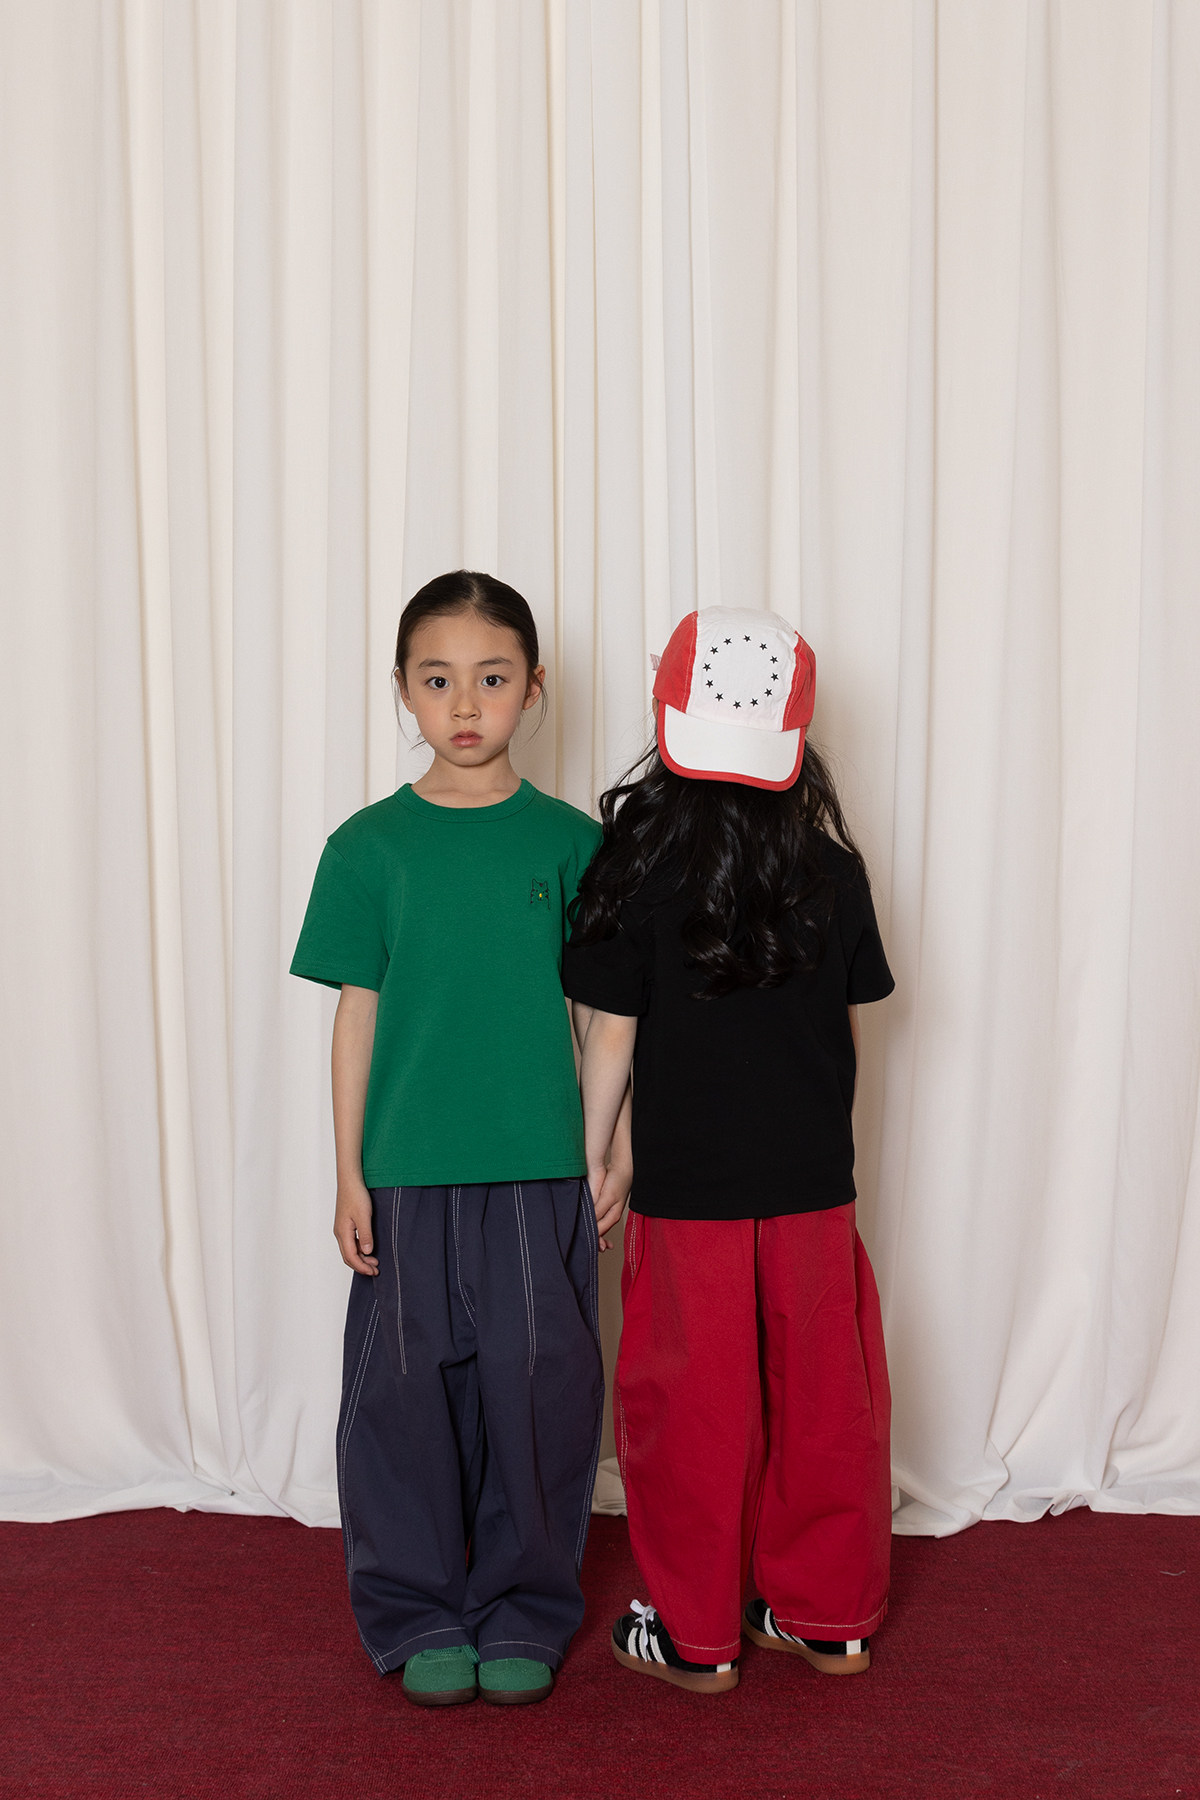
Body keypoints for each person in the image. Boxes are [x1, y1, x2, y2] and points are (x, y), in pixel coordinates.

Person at [290, 571, 629, 1708]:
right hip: (406, 1174)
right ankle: (417, 1610)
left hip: (541, 1169)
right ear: (403, 689)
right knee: (401, 1399)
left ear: (534, 687)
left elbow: (607, 1016)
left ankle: (524, 1608)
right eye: (438, 681)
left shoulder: (575, 845)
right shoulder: (368, 847)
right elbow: (357, 1016)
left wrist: (614, 1149)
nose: (466, 703)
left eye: (491, 678)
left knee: (539, 1391)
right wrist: (349, 1171)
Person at [562, 606, 894, 1696]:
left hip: (687, 1190)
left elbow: (611, 1037)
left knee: (690, 1411)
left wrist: (596, 1157)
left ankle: (694, 1634)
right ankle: (826, 1620)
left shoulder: (637, 867)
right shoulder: (831, 869)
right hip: (811, 1186)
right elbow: (850, 1032)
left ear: (671, 725)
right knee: (826, 1402)